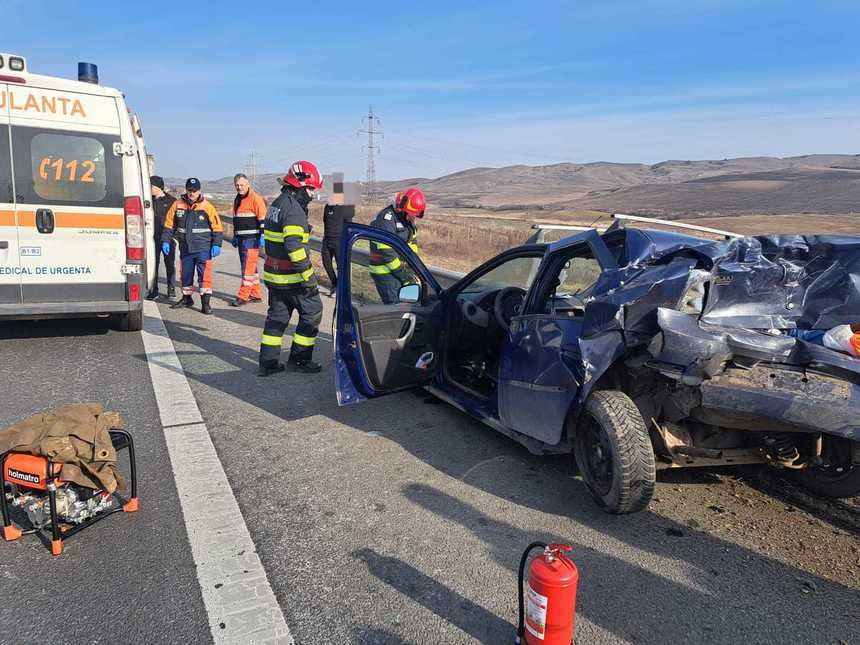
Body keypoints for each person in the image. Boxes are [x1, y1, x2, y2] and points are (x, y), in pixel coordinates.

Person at [258, 161, 325, 376]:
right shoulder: (294, 210)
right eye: (311, 189)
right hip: (293, 278)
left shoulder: (277, 204)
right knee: (312, 312)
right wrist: (309, 280)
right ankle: (299, 359)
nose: (313, 195)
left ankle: (267, 363)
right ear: (300, 184)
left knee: (277, 319)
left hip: (274, 276)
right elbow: (295, 249)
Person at [161, 178, 223, 315]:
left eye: (194, 191)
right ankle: (187, 299)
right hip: (185, 248)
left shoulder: (207, 207)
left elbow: (217, 228)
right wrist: (165, 240)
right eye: (189, 190)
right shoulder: (177, 205)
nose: (192, 193)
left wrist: (217, 244)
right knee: (185, 275)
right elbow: (169, 225)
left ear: (199, 191)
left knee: (204, 277)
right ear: (186, 190)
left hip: (203, 248)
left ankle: (205, 304)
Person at [368, 187, 425, 304]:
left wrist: (412, 265)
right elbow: (386, 253)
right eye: (411, 214)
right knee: (395, 306)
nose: (412, 217)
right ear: (402, 208)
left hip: (399, 270)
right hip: (384, 271)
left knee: (406, 304)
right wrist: (403, 274)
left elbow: (412, 243)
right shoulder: (385, 220)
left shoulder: (407, 220)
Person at [229, 173, 267, 307]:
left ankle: (243, 296)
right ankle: (255, 294)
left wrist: (262, 236)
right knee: (251, 268)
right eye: (237, 185)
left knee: (247, 269)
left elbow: (263, 219)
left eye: (242, 185)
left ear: (248, 184)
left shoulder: (255, 198)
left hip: (252, 240)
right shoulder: (237, 199)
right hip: (241, 239)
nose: (239, 187)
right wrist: (235, 234)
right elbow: (236, 219)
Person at [146, 176, 177, 300]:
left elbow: (177, 220)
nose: (149, 188)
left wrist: (174, 237)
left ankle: (171, 289)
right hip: (152, 238)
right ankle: (154, 290)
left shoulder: (172, 201)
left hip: (168, 239)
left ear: (157, 187)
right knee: (154, 265)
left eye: (151, 186)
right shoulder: (148, 201)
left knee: (170, 263)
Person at [321, 202, 354, 296]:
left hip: (339, 241)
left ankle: (339, 288)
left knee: (341, 267)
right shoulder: (327, 206)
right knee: (326, 263)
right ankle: (334, 283)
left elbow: (349, 225)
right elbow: (325, 221)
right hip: (327, 239)